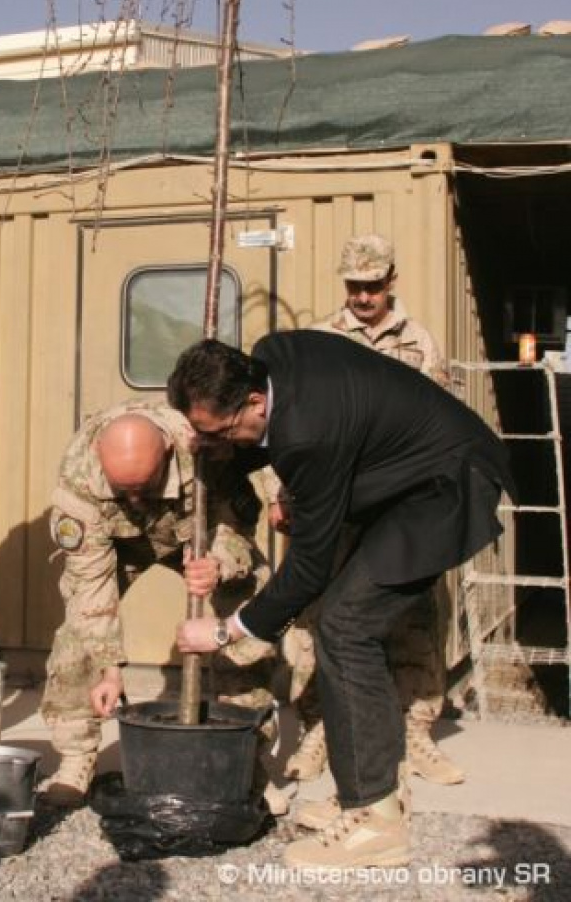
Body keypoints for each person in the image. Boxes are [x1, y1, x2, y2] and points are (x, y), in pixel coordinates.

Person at [168, 333, 511, 870]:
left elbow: (308, 567)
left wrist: (225, 630)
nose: (219, 442)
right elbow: (299, 442)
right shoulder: (271, 355)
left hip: (446, 486)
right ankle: (374, 792)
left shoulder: (307, 436)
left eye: (222, 432)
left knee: (346, 628)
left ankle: (376, 822)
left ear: (255, 402)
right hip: (398, 475)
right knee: (341, 626)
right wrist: (222, 452)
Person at [39, 400, 287, 813]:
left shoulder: (203, 443)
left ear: (169, 452)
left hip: (201, 533)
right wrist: (110, 669)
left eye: (145, 486)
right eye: (124, 491)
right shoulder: (80, 479)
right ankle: (76, 756)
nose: (136, 501)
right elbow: (91, 586)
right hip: (120, 544)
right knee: (80, 633)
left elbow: (237, 518)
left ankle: (249, 763)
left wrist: (220, 563)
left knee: (248, 614)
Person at [285, 233, 463, 793]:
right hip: (336, 506)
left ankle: (416, 733)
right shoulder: (320, 340)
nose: (363, 297)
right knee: (320, 618)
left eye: (372, 286)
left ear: (391, 281)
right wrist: (281, 494)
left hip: (401, 507)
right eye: (354, 286)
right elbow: (293, 424)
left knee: (415, 618)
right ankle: (320, 730)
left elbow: (440, 421)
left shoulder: (419, 343)